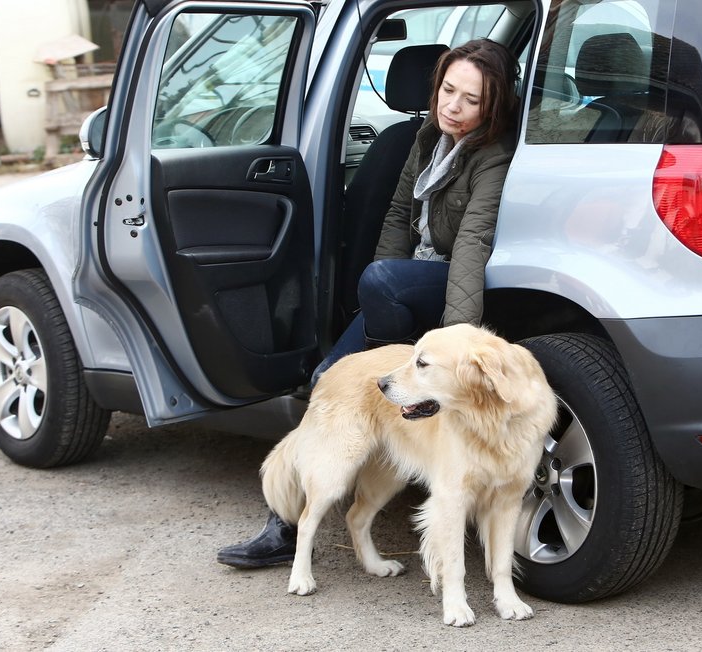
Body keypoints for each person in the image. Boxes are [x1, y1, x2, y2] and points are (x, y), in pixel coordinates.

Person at [217, 38, 520, 569]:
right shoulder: (426, 138)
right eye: (448, 90)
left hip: (449, 279)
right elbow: (397, 217)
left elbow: (472, 243)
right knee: (328, 378)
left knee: (382, 281)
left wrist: (456, 340)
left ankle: (385, 377)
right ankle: (284, 525)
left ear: (491, 108)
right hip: (408, 279)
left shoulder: (491, 157)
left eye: (470, 100)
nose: (453, 105)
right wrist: (373, 303)